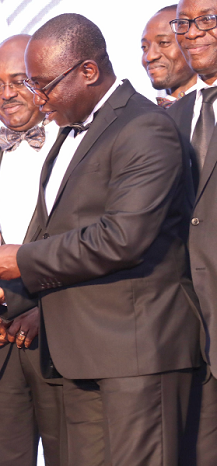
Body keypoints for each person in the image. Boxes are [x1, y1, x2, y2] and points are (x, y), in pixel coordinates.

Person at [0, 13, 201, 465]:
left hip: (137, 356)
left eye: (43, 84)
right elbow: (61, 231)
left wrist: (23, 260)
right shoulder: (72, 133)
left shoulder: (144, 128)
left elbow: (122, 237)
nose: (36, 97)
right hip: (78, 360)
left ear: (88, 72)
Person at [0, 34, 66, 466]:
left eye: (19, 80)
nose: (6, 93)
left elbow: (98, 243)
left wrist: (51, 309)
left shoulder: (80, 151)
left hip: (64, 345)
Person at [165, 0, 217, 463]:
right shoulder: (168, 121)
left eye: (208, 18)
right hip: (190, 336)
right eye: (184, 22)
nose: (194, 32)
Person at [141, 4, 198, 108]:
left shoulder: (210, 106)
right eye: (144, 47)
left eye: (163, 42)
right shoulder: (144, 116)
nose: (149, 57)